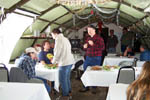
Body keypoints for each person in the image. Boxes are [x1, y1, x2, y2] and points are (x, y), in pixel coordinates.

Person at [80, 25, 105, 93]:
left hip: (96, 58)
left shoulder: (99, 38)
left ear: (94, 30)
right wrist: (84, 47)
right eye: (88, 30)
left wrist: (93, 44)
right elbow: (86, 48)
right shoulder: (88, 38)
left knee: (95, 73)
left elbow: (102, 48)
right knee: (85, 72)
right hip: (88, 57)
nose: (89, 31)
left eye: (90, 30)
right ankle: (86, 86)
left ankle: (94, 87)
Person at [51, 28, 74, 100]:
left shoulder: (58, 39)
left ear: (55, 34)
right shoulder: (66, 39)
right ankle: (69, 92)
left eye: (52, 35)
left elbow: (57, 52)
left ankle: (65, 96)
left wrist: (54, 61)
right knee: (67, 78)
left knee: (62, 80)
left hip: (64, 62)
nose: (52, 37)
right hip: (69, 61)